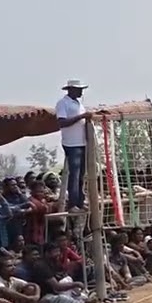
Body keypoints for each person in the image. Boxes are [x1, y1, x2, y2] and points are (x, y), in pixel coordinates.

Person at [56, 79, 95, 212]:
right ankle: (72, 203)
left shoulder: (79, 104)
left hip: (82, 141)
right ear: (71, 90)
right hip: (71, 143)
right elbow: (62, 122)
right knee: (75, 173)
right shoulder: (63, 103)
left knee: (81, 174)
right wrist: (81, 116)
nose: (81, 92)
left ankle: (79, 201)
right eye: (79, 89)